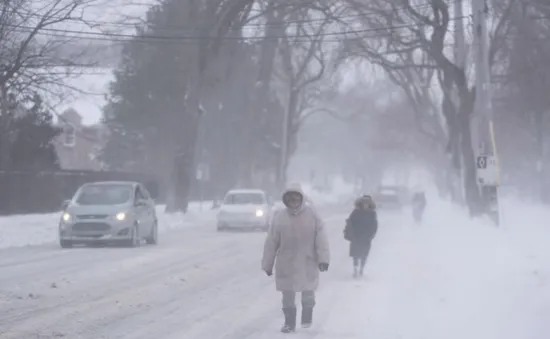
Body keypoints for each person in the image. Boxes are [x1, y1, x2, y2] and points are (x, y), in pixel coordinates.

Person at [262, 184, 330, 333]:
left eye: (296, 197)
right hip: (286, 263)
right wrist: (267, 264)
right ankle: (289, 323)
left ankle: (307, 316)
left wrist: (323, 258)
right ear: (285, 199)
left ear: (301, 198)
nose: (293, 200)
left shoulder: (312, 215)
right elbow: (271, 241)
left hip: (307, 261)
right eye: (290, 197)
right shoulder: (280, 216)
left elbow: (321, 237)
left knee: (308, 292)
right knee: (287, 295)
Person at [344, 195, 378, 278]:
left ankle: (361, 269)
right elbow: (350, 222)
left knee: (364, 254)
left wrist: (371, 234)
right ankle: (355, 269)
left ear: (370, 204)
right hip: (356, 236)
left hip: (366, 237)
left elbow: (374, 225)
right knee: (355, 254)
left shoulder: (372, 213)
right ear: (361, 203)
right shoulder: (356, 212)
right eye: (364, 203)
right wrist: (349, 232)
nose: (365, 205)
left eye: (367, 203)